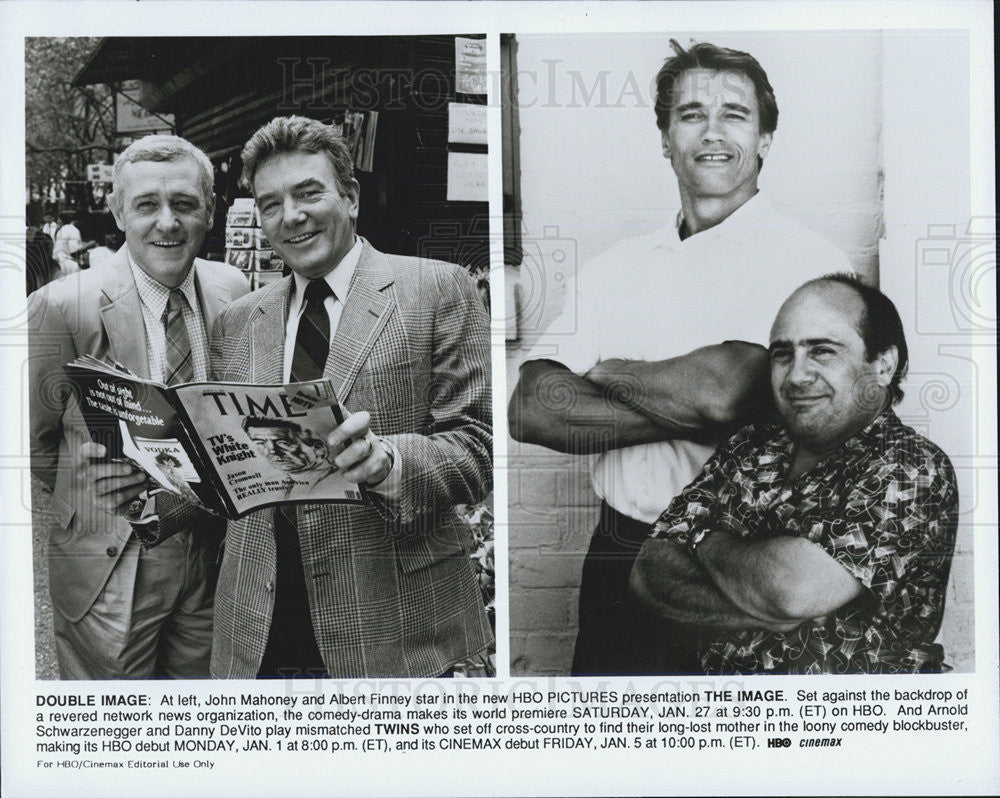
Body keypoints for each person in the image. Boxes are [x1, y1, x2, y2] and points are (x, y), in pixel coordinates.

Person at [508, 40, 853, 675]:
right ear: (665, 137)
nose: (712, 133)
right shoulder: (619, 266)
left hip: (741, 559)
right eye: (691, 114)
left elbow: (727, 392)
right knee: (611, 755)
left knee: (721, 764)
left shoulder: (813, 265)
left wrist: (609, 374)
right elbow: (532, 408)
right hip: (619, 546)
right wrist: (706, 402)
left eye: (735, 114)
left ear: (767, 138)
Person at [106, 115, 493, 678]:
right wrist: (150, 492)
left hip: (393, 620)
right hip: (258, 619)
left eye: (308, 193)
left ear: (351, 196)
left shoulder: (436, 289)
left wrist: (389, 463)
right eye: (270, 203)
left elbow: (477, 446)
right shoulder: (240, 321)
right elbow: (229, 463)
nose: (291, 216)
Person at [630, 275, 959, 674]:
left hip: (851, 724)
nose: (796, 375)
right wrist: (765, 613)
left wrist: (705, 539)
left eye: (822, 351)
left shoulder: (910, 465)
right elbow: (649, 571)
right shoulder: (750, 445)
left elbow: (793, 591)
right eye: (783, 354)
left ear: (883, 364)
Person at [28, 135, 249, 679]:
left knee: (199, 725)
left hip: (211, 551)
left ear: (211, 210)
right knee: (114, 736)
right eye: (147, 204)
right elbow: (31, 439)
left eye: (185, 204)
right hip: (112, 561)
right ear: (118, 211)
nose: (167, 223)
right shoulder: (62, 306)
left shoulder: (232, 289)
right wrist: (90, 494)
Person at [241, 416, 341, 499]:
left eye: (284, 443)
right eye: (261, 443)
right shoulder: (271, 485)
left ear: (319, 449)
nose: (273, 450)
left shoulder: (336, 480)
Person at [52, 210, 84, 277]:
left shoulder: (61, 230)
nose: (58, 221)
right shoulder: (74, 230)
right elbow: (74, 251)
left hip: (57, 261)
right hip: (68, 262)